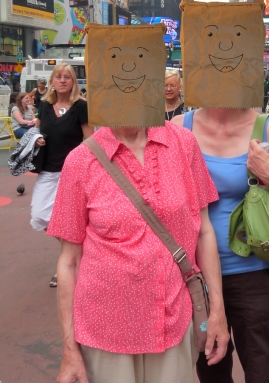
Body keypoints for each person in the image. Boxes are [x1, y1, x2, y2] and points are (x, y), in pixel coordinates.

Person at [47, 120, 229, 383]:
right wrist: (69, 350)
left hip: (172, 319)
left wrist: (217, 312)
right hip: (105, 329)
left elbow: (203, 232)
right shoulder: (81, 160)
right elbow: (68, 262)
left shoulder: (182, 142)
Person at [173, 107, 269, 383]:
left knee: (265, 372)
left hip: (254, 277)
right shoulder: (180, 127)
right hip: (196, 279)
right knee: (212, 370)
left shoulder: (267, 128)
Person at [32, 63, 93, 287]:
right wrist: (36, 139)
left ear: (73, 81)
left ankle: (66, 261)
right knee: (40, 214)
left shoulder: (81, 106)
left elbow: (89, 140)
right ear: (52, 81)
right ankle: (76, 251)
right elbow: (35, 131)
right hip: (48, 168)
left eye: (67, 77)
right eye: (58, 77)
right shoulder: (45, 105)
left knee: (70, 219)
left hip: (73, 172)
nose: (63, 80)